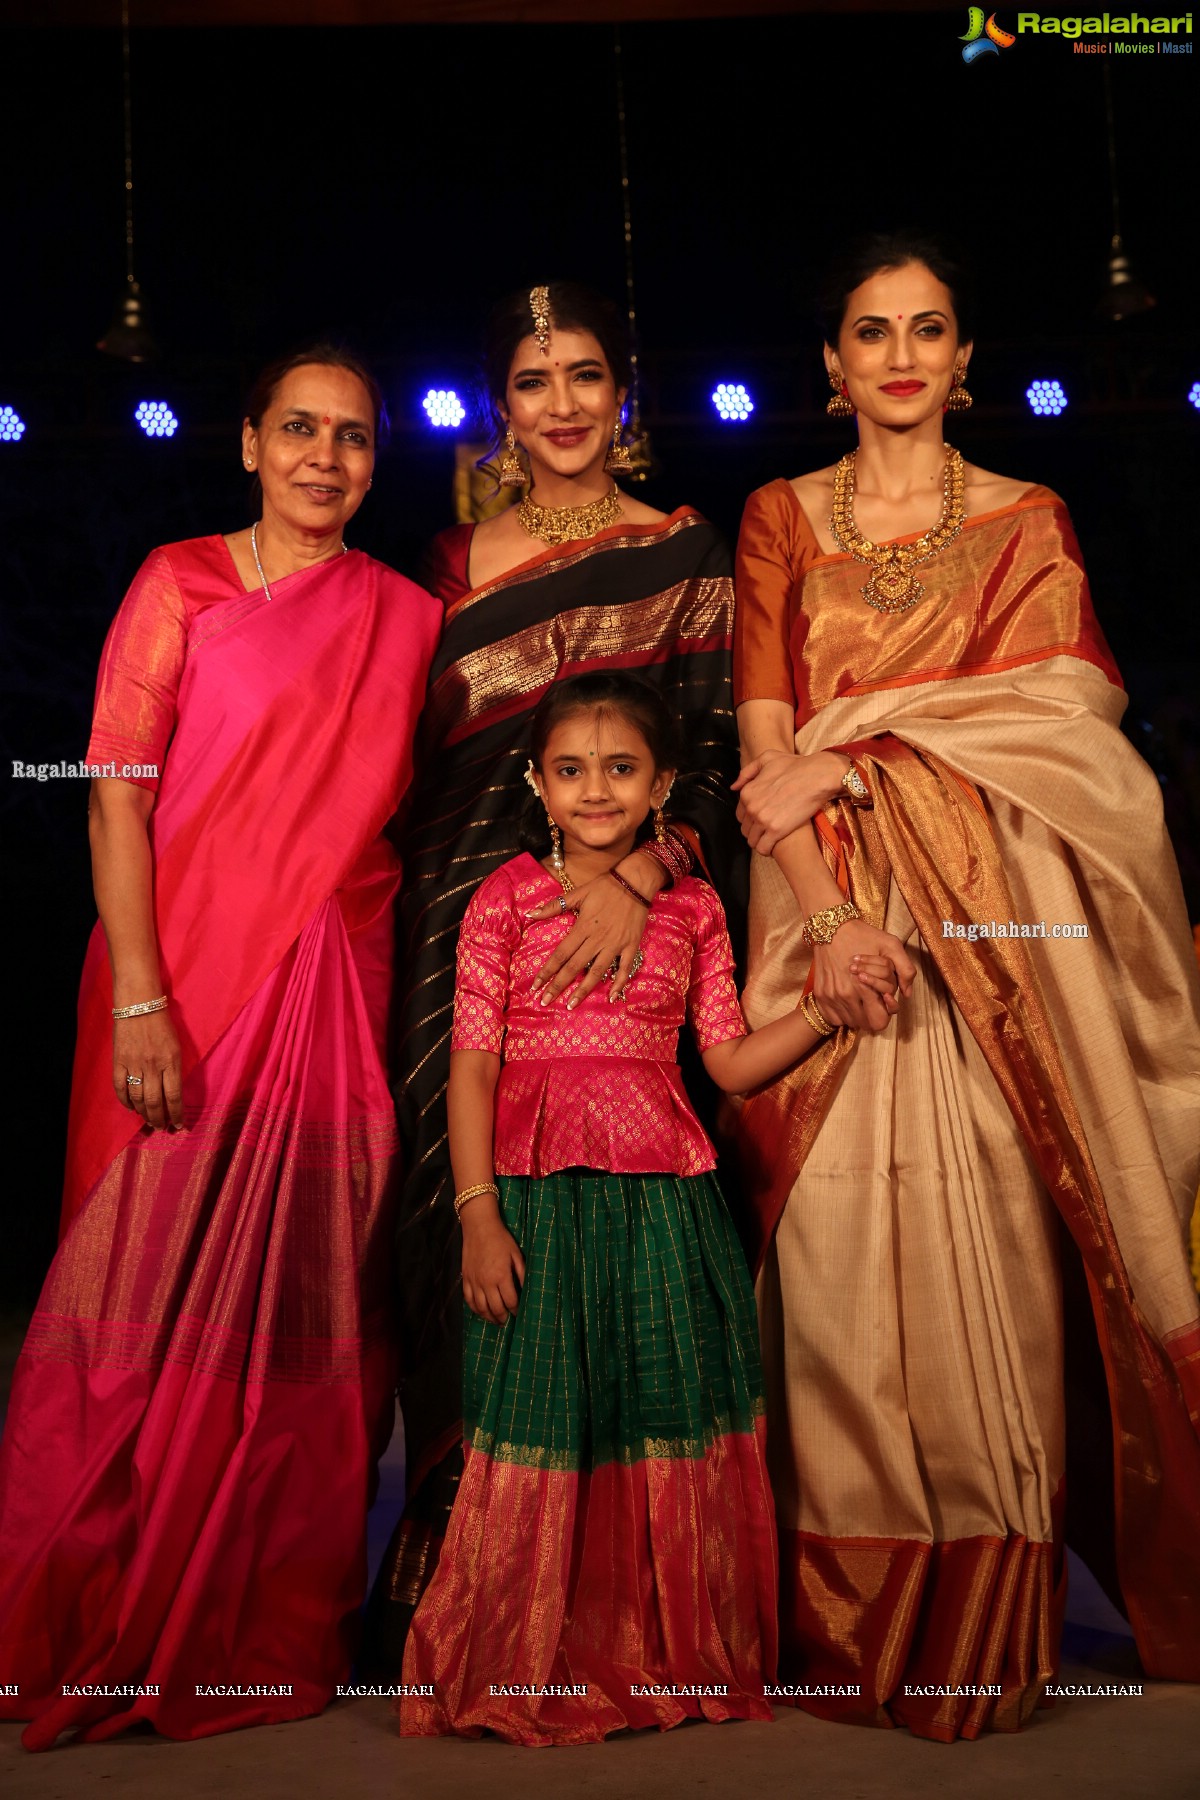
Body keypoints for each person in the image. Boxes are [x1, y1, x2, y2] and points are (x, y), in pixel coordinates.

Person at [731, 232, 1200, 1742]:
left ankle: (990, 1619)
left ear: (966, 355)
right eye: (871, 333)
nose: (902, 357)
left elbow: (1073, 731)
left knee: (987, 1245)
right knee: (841, 1266)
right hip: (825, 918)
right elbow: (761, 758)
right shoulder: (778, 519)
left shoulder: (1027, 518)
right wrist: (833, 923)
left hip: (992, 941)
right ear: (832, 365)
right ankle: (858, 1615)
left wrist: (867, 745)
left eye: (929, 330)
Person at [0, 347, 442, 1747]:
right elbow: (113, 799)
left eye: (355, 438)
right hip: (175, 976)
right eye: (300, 430)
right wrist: (142, 994)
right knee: (135, 1298)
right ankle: (98, 1598)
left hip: (335, 983)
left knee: (302, 1298)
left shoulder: (404, 616)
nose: (326, 457)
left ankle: (258, 1618)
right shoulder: (176, 583)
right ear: (248, 443)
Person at [397, 671, 898, 1743]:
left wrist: (821, 1007)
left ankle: (658, 1648)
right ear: (536, 782)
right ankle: (525, 1654)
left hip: (666, 1208)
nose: (594, 791)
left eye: (620, 769)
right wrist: (478, 1214)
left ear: (662, 783)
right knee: (538, 1423)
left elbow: (727, 1061)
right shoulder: (503, 902)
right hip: (532, 1205)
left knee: (653, 1414)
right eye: (570, 771)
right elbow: (473, 1071)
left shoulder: (695, 908)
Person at [368, 282, 744, 1661]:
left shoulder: (685, 547)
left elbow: (711, 752)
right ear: (502, 409)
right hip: (461, 926)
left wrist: (641, 878)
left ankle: (622, 1570)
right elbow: (425, 768)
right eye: (535, 380)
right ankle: (462, 1563)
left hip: (642, 923)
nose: (566, 403)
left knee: (629, 1227)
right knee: (450, 1220)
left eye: (587, 374)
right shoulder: (452, 563)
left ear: (623, 394)